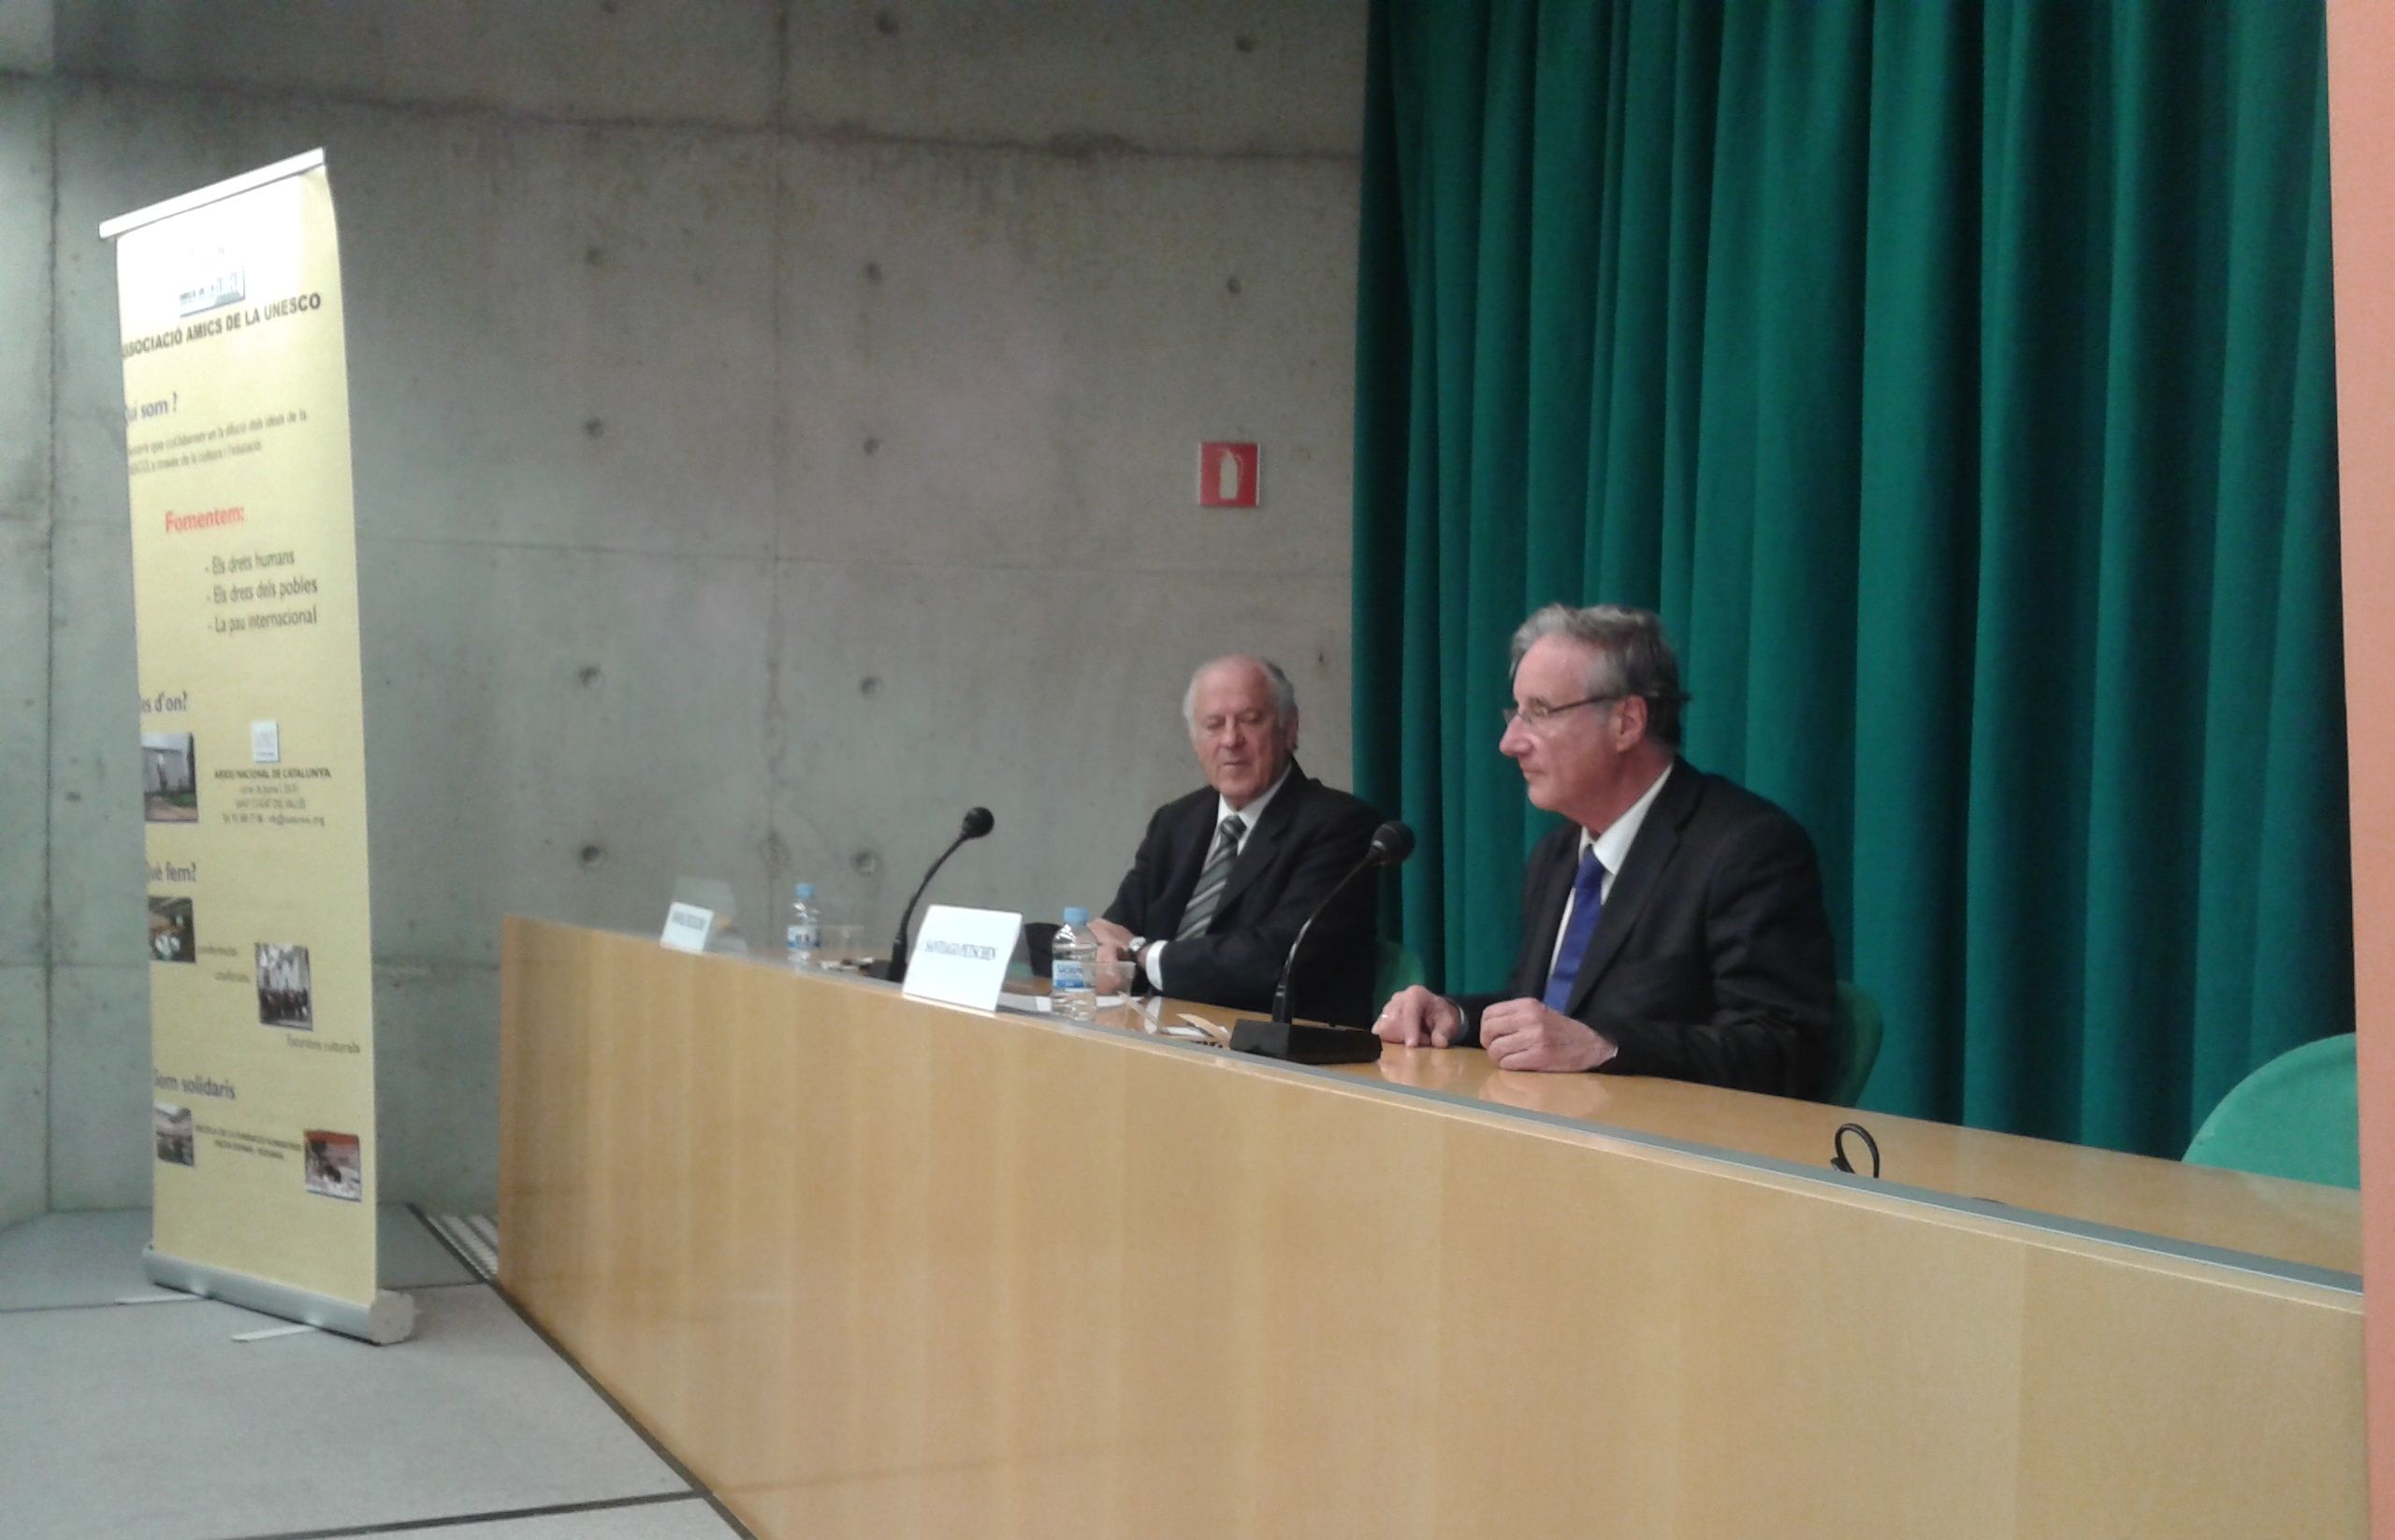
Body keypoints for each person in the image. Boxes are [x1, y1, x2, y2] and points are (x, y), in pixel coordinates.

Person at [1374, 604, 1836, 1097]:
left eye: (1540, 712)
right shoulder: (1556, 855)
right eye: (1515, 712)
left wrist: (1608, 1048)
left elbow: (1783, 1049)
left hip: (1668, 1158)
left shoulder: (1746, 848)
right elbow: (1555, 1011)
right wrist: (1456, 1016)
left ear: (1626, 722)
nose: (1510, 742)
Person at [1090, 656, 1383, 1026]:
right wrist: (1102, 950)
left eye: (1249, 720)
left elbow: (1275, 959)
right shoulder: (1175, 822)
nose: (1231, 740)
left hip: (1274, 1055)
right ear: (1196, 741)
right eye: (1213, 725)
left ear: (1289, 729)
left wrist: (1143, 954)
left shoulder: (1340, 825)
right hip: (1159, 1042)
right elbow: (1114, 933)